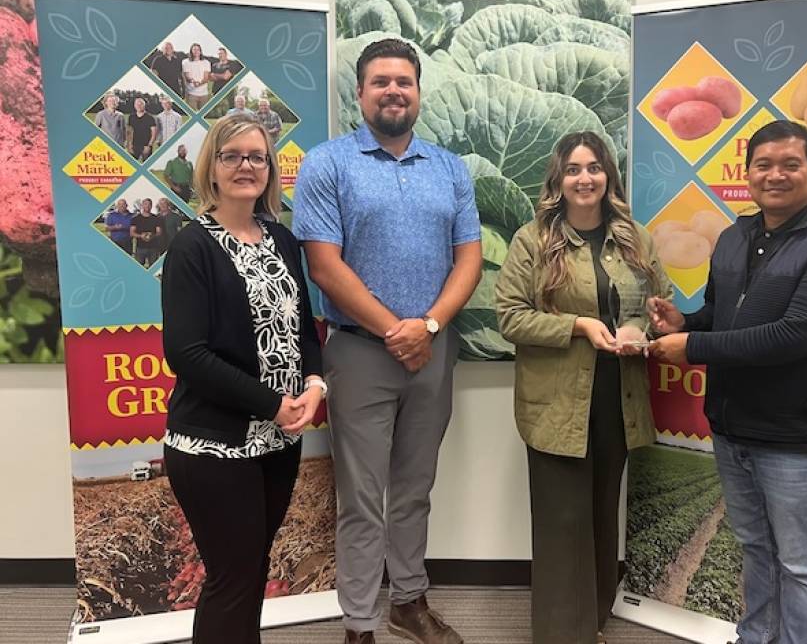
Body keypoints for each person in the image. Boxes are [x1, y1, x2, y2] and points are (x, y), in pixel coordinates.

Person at [646, 120, 807, 644]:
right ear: (747, 174)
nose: (775, 175)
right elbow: (720, 314)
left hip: (796, 437)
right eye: (763, 164)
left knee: (799, 564)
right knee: (754, 549)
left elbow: (791, 337)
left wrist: (693, 348)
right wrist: (685, 324)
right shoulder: (732, 237)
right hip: (731, 428)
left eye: (790, 164)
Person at [293, 38, 481, 644]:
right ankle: (358, 625)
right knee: (361, 496)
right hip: (357, 352)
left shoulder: (450, 168)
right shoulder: (328, 164)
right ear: (360, 93)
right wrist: (394, 330)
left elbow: (469, 260)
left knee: (414, 488)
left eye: (404, 81)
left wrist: (425, 327)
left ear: (419, 91)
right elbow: (324, 265)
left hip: (432, 351)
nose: (393, 90)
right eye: (381, 82)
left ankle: (408, 601)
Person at [495, 131, 670, 644]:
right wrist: (578, 326)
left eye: (594, 167)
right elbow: (510, 317)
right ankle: (559, 634)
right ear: (559, 179)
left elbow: (661, 303)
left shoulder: (636, 239)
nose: (585, 178)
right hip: (556, 404)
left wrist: (649, 329)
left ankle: (590, 620)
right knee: (561, 520)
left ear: (608, 177)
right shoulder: (533, 240)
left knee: (599, 514)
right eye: (573, 169)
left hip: (619, 398)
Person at [162, 113, 324, 644]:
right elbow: (187, 354)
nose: (246, 166)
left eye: (257, 156)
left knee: (252, 570)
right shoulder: (192, 246)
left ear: (271, 169)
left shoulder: (282, 239)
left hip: (278, 442)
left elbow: (302, 330)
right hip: (214, 444)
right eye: (232, 156)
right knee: (232, 578)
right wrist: (273, 402)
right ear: (212, 168)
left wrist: (316, 386)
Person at [130, 197, 161, 267]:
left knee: (153, 267)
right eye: (145, 204)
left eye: (149, 204)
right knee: (138, 268)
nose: (147, 206)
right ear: (142, 205)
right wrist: (141, 236)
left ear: (151, 206)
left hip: (153, 248)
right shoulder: (135, 218)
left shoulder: (156, 218)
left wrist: (152, 235)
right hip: (140, 248)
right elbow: (132, 233)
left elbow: (159, 232)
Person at [182, 43, 211, 110]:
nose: (196, 51)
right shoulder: (186, 62)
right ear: (191, 51)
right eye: (194, 49)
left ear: (200, 51)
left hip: (204, 94)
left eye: (198, 50)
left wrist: (200, 83)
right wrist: (193, 81)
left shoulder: (206, 62)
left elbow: (206, 78)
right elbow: (187, 77)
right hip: (191, 94)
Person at [127, 97, 157, 162]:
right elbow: (129, 132)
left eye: (141, 104)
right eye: (137, 104)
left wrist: (149, 146)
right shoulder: (131, 117)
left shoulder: (150, 117)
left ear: (144, 105)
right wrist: (129, 145)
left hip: (146, 146)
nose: (139, 106)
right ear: (134, 106)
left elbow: (154, 134)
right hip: (134, 146)